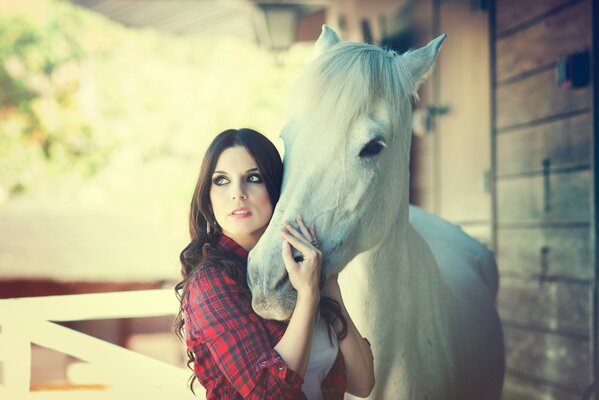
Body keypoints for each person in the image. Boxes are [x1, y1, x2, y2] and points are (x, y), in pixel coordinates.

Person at [174, 128, 374, 399]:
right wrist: (307, 296)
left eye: (253, 178)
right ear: (208, 198)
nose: (238, 193)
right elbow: (270, 394)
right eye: (221, 181)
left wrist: (327, 285)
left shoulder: (302, 267)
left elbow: (362, 384)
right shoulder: (211, 282)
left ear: (275, 187)